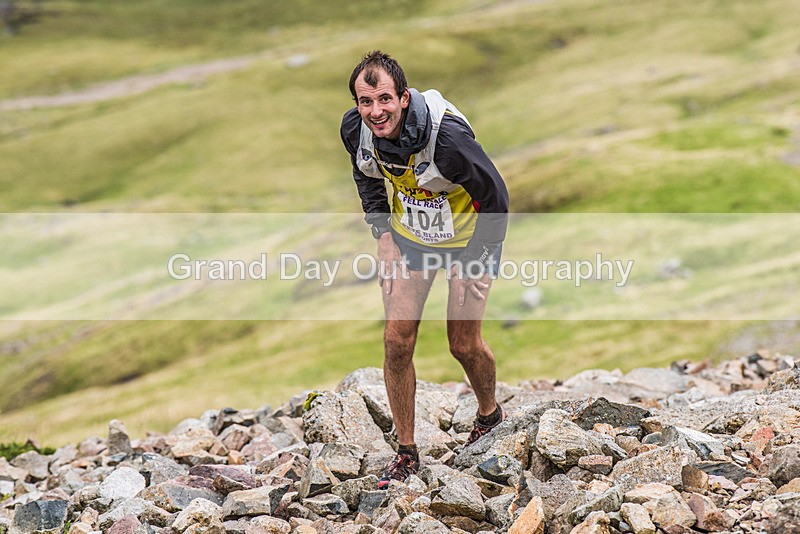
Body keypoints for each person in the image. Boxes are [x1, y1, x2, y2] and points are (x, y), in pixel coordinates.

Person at [340, 51, 509, 490]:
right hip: (410, 241)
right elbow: (366, 176)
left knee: (462, 344)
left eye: (384, 99)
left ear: (404, 96)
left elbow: (496, 198)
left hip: (469, 242)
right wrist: (382, 233)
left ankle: (490, 415)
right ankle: (406, 453)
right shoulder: (356, 130)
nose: (375, 112)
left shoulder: (447, 139)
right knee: (396, 341)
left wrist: (478, 258)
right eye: (365, 101)